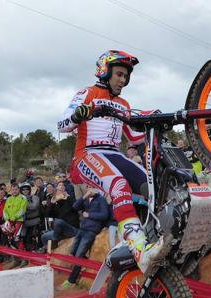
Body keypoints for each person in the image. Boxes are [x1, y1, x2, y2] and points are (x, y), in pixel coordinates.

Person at [57, 50, 163, 274]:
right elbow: (62, 125)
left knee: (153, 185)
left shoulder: (123, 103)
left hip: (113, 153)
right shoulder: (87, 92)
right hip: (87, 154)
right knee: (119, 186)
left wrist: (155, 125)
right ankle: (139, 249)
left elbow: (133, 138)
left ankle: (157, 237)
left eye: (126, 76)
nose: (123, 80)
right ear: (105, 72)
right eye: (119, 75)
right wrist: (78, 115)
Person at [58, 189, 109, 289]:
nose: (90, 188)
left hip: (92, 230)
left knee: (79, 255)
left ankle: (71, 280)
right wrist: (84, 196)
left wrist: (89, 215)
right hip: (82, 228)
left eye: (93, 186)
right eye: (88, 186)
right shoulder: (86, 198)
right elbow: (75, 207)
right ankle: (85, 263)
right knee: (73, 251)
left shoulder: (101, 199)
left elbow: (104, 215)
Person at [41, 182, 80, 248]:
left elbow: (76, 207)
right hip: (60, 232)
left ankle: (55, 240)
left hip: (72, 229)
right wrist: (52, 203)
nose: (60, 191)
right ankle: (48, 251)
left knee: (58, 221)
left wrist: (68, 197)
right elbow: (47, 214)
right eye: (58, 190)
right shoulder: (56, 203)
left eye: (62, 188)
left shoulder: (70, 199)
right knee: (44, 237)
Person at [20, 182, 41, 251]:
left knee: (30, 237)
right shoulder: (19, 199)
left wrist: (23, 204)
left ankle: (32, 251)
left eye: (27, 189)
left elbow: (34, 206)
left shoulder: (34, 197)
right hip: (24, 222)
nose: (25, 191)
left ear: (29, 190)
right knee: (22, 238)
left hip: (34, 221)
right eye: (23, 189)